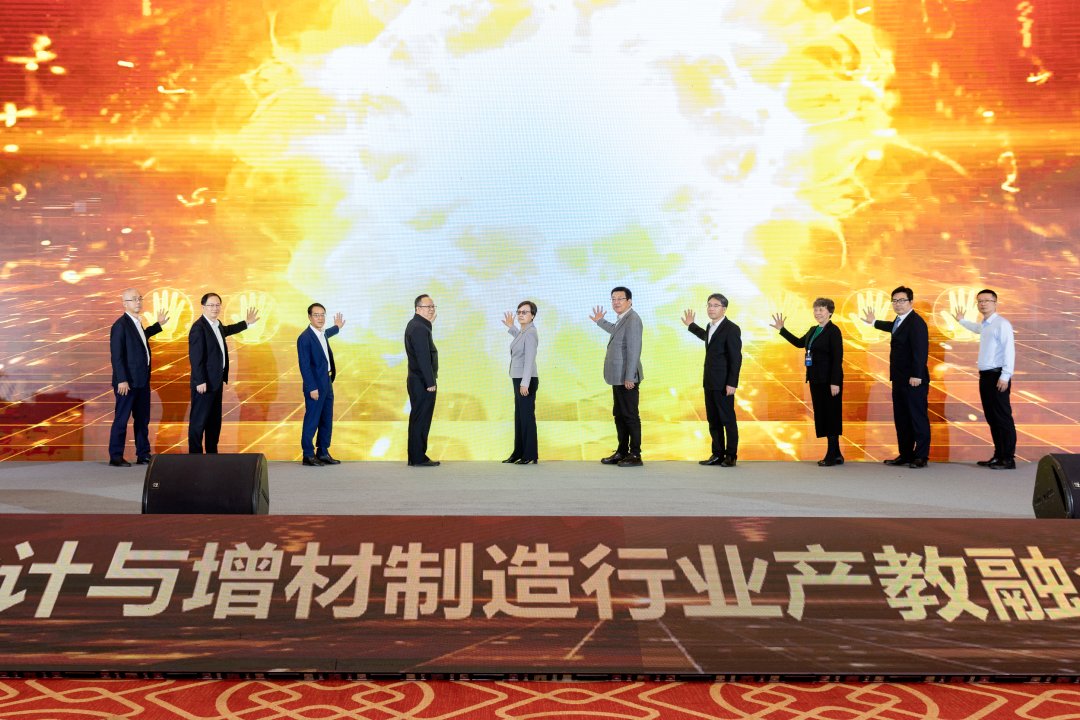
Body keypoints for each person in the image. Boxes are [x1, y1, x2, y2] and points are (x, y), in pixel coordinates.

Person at [861, 285, 931, 468]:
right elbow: (892, 327)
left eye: (902, 300)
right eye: (895, 301)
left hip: (914, 380)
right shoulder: (900, 320)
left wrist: (917, 375)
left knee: (917, 417)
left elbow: (921, 351)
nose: (898, 304)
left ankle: (921, 456)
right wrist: (874, 322)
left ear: (911, 302)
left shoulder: (916, 322)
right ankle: (906, 454)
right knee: (902, 418)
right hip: (899, 379)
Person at [770, 298, 844, 466]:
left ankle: (831, 455)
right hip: (815, 379)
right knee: (823, 415)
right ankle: (837, 454)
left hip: (829, 381)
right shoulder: (813, 330)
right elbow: (798, 343)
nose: (818, 313)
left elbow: (837, 358)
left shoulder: (834, 331)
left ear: (830, 312)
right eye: (816, 310)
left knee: (831, 416)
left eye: (821, 309)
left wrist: (835, 382)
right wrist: (782, 330)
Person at [188, 292, 259, 454]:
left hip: (216, 381)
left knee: (214, 422)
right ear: (203, 307)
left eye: (217, 305)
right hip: (204, 383)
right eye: (211, 305)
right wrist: (200, 380)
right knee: (199, 422)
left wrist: (247, 323)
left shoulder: (217, 324)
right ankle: (195, 457)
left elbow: (228, 329)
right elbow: (195, 357)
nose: (215, 308)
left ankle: (212, 454)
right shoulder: (198, 328)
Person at [956, 289, 1016, 469]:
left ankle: (1008, 459)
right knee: (992, 418)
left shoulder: (1001, 324)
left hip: (998, 377)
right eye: (980, 301)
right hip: (986, 377)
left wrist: (1005, 376)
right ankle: (999, 455)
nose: (983, 304)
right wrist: (960, 320)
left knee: (1002, 418)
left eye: (987, 300)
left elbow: (1009, 351)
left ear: (995, 303)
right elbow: (974, 327)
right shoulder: (985, 324)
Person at [108, 288, 168, 467]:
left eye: (140, 298)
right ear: (124, 304)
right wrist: (121, 379)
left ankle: (143, 454)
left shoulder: (136, 323)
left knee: (142, 420)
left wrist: (158, 325)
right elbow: (117, 356)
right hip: (127, 382)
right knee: (122, 419)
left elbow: (141, 338)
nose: (138, 302)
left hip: (142, 381)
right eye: (133, 299)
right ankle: (115, 456)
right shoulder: (120, 325)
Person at [682, 293, 742, 467]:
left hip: (724, 383)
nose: (711, 308)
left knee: (727, 420)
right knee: (713, 420)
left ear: (724, 309)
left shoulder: (732, 328)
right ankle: (717, 454)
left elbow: (736, 358)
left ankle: (731, 456)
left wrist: (732, 383)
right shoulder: (710, 326)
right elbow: (706, 337)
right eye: (709, 305)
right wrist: (691, 325)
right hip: (709, 381)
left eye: (715, 305)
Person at [590, 287, 644, 467]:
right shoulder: (623, 318)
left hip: (627, 378)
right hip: (618, 376)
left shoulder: (633, 319)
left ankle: (635, 454)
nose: (616, 302)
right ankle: (622, 451)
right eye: (613, 299)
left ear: (629, 301)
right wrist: (600, 321)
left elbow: (634, 349)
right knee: (620, 415)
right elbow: (615, 330)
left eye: (620, 298)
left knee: (630, 415)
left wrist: (630, 377)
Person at [297, 303, 345, 467]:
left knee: (326, 419)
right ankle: (308, 454)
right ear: (309, 317)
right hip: (315, 385)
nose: (320, 318)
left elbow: (328, 333)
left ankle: (323, 452)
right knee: (312, 420)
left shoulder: (322, 333)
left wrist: (337, 327)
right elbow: (304, 366)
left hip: (327, 383)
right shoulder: (304, 338)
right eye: (316, 315)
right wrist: (312, 387)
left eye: (322, 314)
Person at [500, 301, 540, 464]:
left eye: (525, 312)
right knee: (520, 417)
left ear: (532, 315)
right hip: (519, 378)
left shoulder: (530, 333)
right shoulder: (524, 332)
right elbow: (519, 340)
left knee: (526, 417)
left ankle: (529, 454)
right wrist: (512, 327)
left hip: (525, 380)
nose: (521, 315)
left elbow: (530, 359)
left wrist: (525, 383)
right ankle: (518, 452)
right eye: (519, 312)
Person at [405, 294, 439, 467]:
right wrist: (430, 382)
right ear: (418, 309)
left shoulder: (417, 324)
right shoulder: (419, 327)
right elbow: (423, 357)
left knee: (418, 418)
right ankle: (418, 457)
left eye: (433, 306)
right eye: (428, 307)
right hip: (422, 381)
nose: (431, 309)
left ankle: (415, 456)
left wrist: (428, 324)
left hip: (417, 380)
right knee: (421, 419)